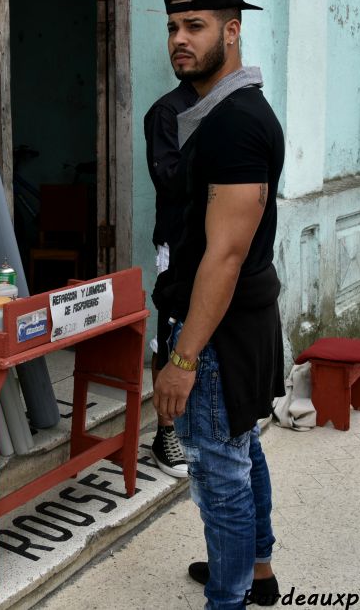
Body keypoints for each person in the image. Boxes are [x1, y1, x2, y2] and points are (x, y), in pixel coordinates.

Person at [151, 0, 285, 609]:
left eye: (195, 25)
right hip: (244, 317)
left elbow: (224, 256)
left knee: (218, 469)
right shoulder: (225, 113)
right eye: (174, 25)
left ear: (232, 32)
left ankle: (228, 599)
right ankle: (257, 573)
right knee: (242, 445)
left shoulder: (233, 123)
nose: (179, 38)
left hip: (218, 328)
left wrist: (182, 358)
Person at [144, 80, 198, 478]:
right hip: (177, 243)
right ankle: (165, 434)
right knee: (169, 332)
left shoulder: (226, 104)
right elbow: (171, 180)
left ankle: (194, 421)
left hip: (216, 244)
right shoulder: (168, 112)